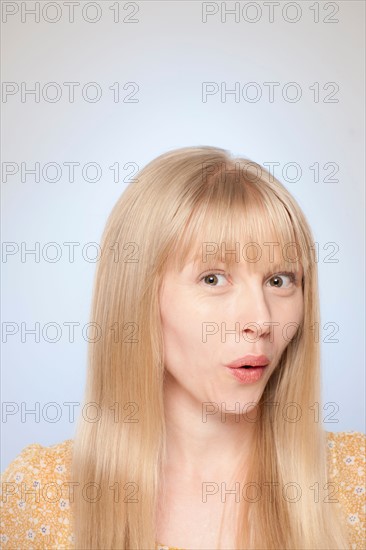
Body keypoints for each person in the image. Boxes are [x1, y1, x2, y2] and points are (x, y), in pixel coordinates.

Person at [1, 146, 365, 550]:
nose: (261, 321)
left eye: (279, 280)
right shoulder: (40, 496)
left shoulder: (356, 483)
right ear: (136, 297)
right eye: (213, 279)